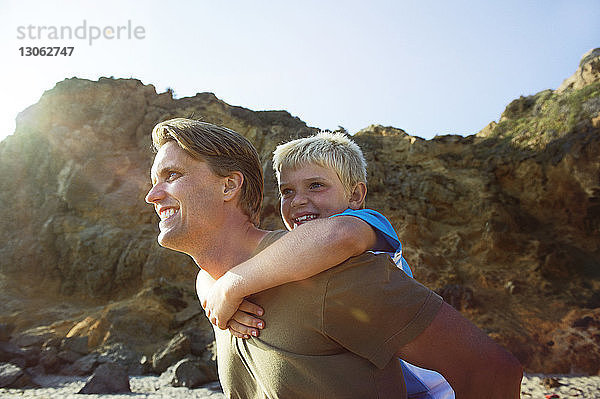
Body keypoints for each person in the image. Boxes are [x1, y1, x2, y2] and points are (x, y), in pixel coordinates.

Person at [145, 118, 523, 398]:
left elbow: (494, 371)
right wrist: (218, 285)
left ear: (229, 185)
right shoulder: (212, 283)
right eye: (287, 192)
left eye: (172, 175)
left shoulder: (334, 262)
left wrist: (231, 284)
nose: (152, 195)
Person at [200, 131, 453, 397]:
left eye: (316, 185)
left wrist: (231, 286)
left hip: (433, 390)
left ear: (355, 195)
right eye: (287, 191)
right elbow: (223, 262)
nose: (298, 200)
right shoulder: (295, 252)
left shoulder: (365, 225)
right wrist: (212, 294)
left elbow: (337, 236)